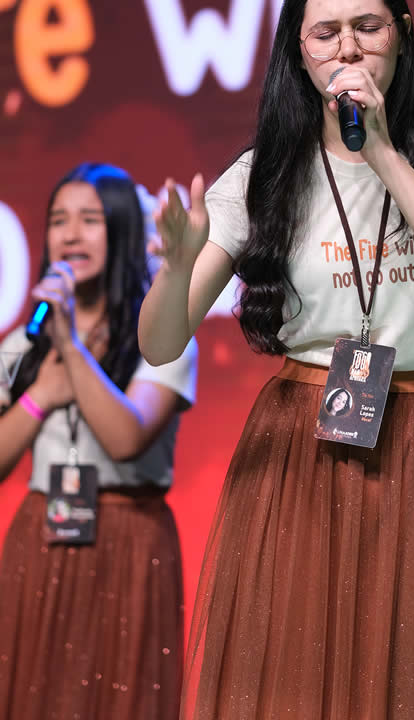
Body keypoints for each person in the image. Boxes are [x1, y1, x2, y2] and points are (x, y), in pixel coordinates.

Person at [139, 0, 414, 720]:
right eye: (325, 33)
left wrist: (380, 153)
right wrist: (177, 269)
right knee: (292, 678)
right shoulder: (264, 171)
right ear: (299, 51)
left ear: (401, 34)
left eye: (367, 26)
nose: (347, 47)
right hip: (299, 442)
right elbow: (159, 344)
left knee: (409, 677)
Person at [0, 163, 197, 720]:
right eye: (58, 220)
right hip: (40, 540)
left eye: (89, 220)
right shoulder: (23, 346)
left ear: (124, 230)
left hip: (129, 544)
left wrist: (72, 349)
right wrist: (40, 395)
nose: (70, 235)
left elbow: (126, 437)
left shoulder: (163, 337)